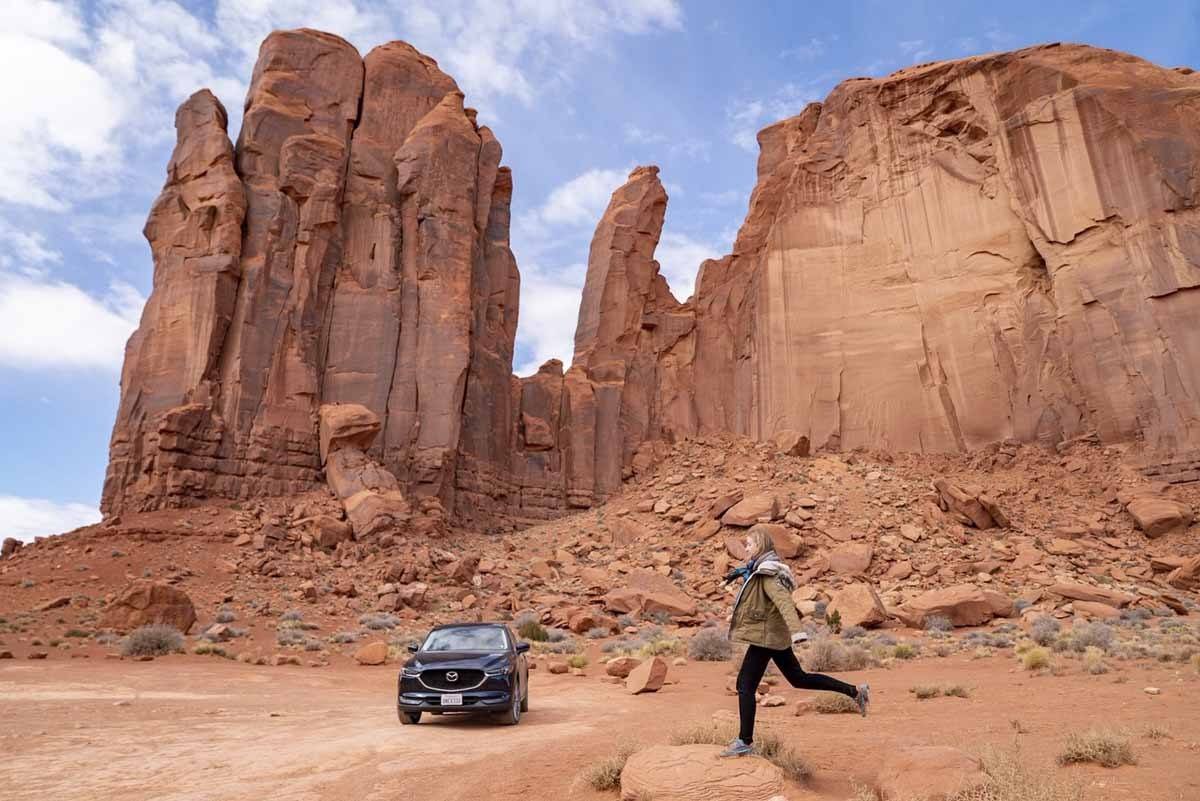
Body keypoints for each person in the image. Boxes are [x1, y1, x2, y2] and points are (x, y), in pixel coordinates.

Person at [720, 527, 869, 758]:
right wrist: (738, 573)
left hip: (767, 637)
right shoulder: (759, 569)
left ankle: (745, 742)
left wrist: (798, 631)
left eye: (749, 545)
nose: (746, 548)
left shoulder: (767, 575)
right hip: (772, 636)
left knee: (745, 686)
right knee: (799, 678)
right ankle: (855, 692)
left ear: (759, 546)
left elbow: (784, 603)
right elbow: (752, 573)